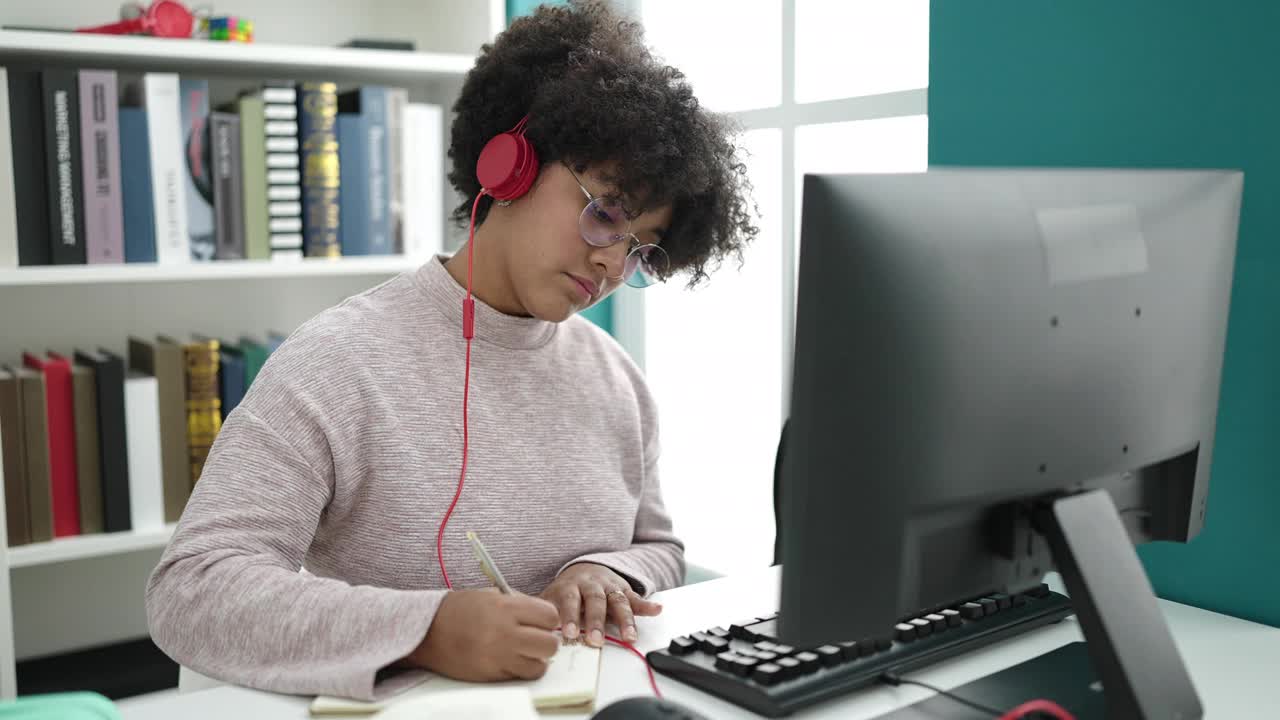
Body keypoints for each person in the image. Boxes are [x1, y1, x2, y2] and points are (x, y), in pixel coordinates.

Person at [145, 0, 758, 701]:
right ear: (510, 166)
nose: (613, 265)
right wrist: (426, 628)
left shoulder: (618, 381)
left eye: (640, 247)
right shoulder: (337, 362)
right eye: (606, 213)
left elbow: (661, 550)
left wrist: (605, 571)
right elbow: (191, 590)